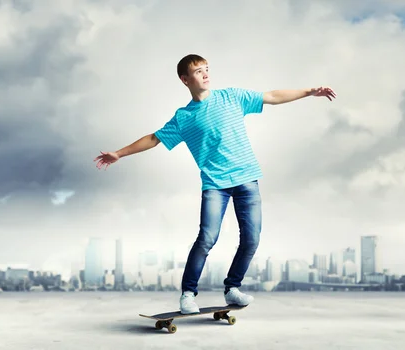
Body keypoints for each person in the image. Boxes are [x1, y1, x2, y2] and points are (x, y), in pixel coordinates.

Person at [94, 54, 336, 314]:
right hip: (215, 184)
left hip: (247, 179)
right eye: (199, 71)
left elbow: (272, 96)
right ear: (185, 79)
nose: (206, 74)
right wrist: (119, 153)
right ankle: (188, 294)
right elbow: (154, 139)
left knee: (251, 239)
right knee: (207, 238)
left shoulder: (232, 97)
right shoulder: (184, 117)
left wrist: (309, 92)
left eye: (207, 69)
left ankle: (232, 289)